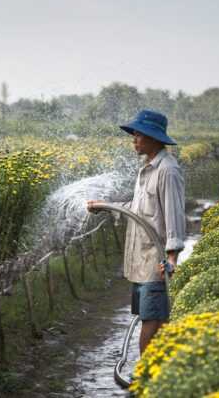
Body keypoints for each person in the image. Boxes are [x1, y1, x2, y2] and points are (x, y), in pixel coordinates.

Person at [87, 109, 186, 353]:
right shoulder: (147, 169)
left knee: (152, 321)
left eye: (138, 135)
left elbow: (174, 215)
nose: (134, 139)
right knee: (153, 318)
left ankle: (146, 378)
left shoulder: (167, 171)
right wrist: (105, 207)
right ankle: (157, 374)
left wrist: (172, 257)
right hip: (141, 260)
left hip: (156, 261)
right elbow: (137, 210)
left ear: (153, 138)